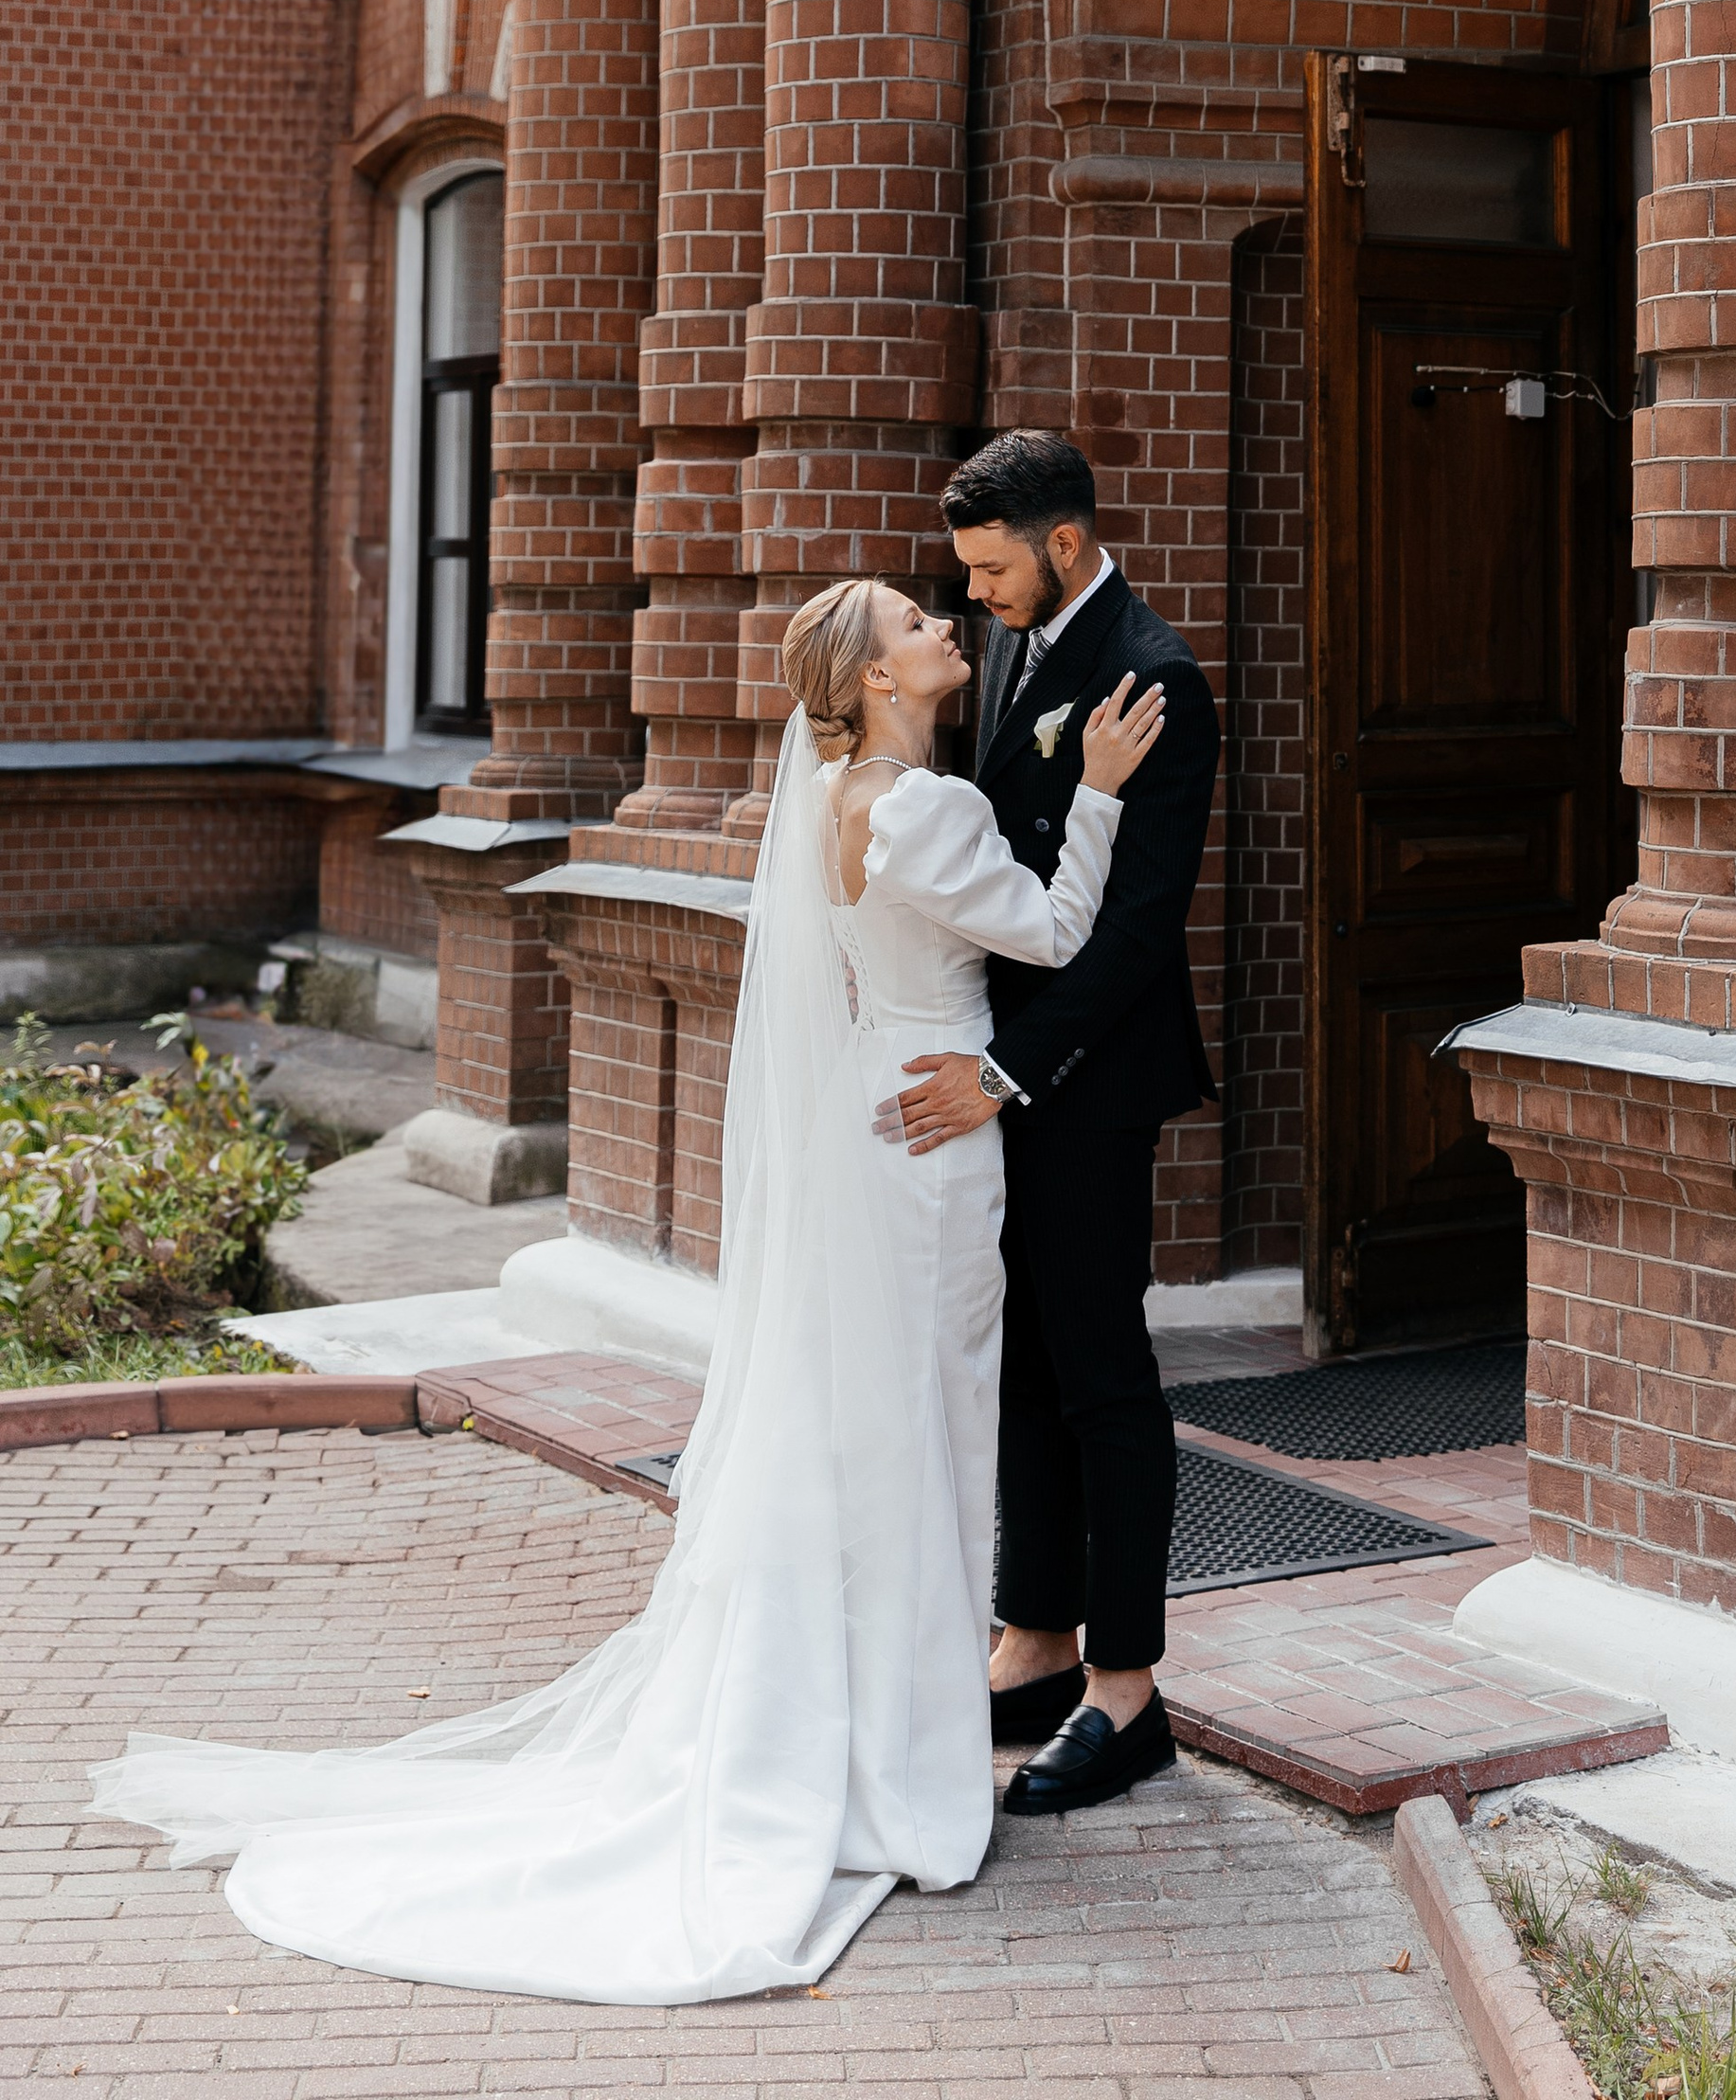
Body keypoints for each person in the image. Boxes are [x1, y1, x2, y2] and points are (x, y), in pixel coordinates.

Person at [86, 582, 1165, 2005]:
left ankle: (860, 1736)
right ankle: (900, 1777)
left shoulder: (844, 795)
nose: (942, 630)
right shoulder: (928, 810)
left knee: (870, 1429)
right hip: (934, 1142)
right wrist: (1094, 793)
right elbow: (1060, 934)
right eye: (916, 624)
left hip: (872, 1114)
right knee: (927, 1437)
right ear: (875, 677)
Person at [904, 428, 1222, 1818]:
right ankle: (1030, 1641)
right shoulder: (1020, 655)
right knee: (1022, 1364)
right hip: (1004, 1072)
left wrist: (1009, 1072)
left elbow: (1140, 929)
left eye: (991, 569)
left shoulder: (1156, 673)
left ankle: (1127, 1691)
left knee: (1102, 1376)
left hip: (1087, 1081)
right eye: (966, 575)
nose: (976, 596)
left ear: (1067, 544)